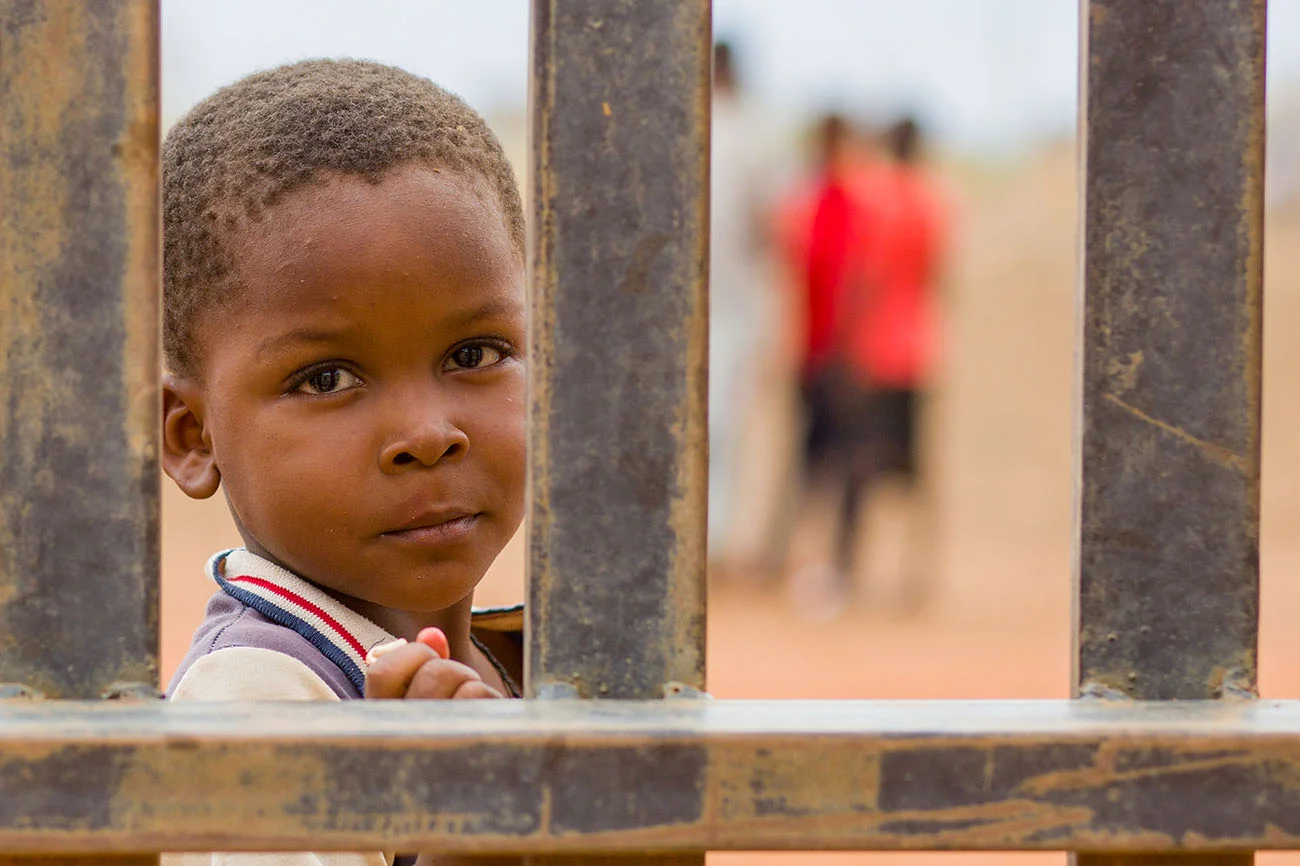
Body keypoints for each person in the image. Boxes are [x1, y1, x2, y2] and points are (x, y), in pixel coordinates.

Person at [159, 59, 527, 866]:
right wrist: (467, 843)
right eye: (326, 378)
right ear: (192, 435)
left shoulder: (537, 664)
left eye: (476, 352)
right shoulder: (258, 705)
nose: (428, 433)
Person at [707, 39, 779, 576]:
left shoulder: (689, 130)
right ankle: (716, 541)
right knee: (722, 428)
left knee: (710, 427)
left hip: (716, 302)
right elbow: (768, 228)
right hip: (733, 302)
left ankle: (711, 540)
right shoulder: (753, 136)